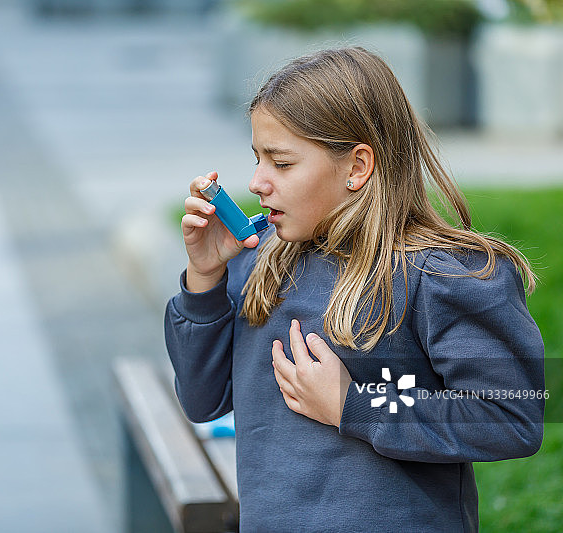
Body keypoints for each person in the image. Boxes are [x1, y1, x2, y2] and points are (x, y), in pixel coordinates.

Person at [164, 47, 545, 532]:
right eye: (257, 158)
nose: (258, 182)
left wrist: (354, 405)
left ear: (357, 167)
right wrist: (203, 281)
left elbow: (512, 415)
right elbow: (201, 401)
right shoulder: (256, 264)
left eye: (281, 163)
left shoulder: (446, 275)